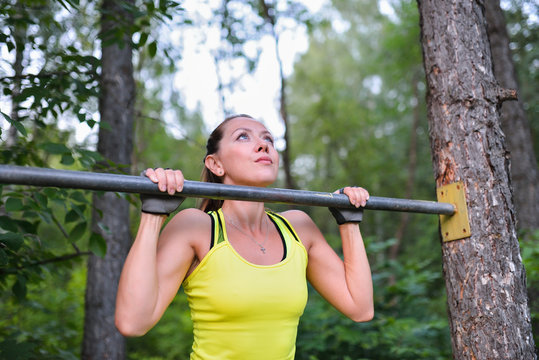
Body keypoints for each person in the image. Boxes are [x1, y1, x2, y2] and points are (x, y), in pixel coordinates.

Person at [115, 114, 373, 359]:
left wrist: (349, 221)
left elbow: (360, 308)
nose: (263, 145)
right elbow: (132, 323)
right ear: (215, 164)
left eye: (268, 139)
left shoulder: (298, 228)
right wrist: (153, 214)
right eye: (243, 137)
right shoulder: (196, 227)